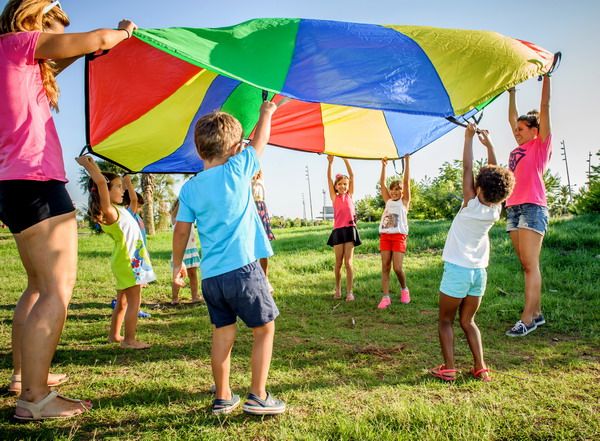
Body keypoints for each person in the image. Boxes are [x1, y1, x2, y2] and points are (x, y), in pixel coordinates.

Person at [0, 0, 135, 420]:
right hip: (37, 179)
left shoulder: (11, 57)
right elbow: (93, 39)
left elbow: (67, 57)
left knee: (38, 286)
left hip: (13, 182)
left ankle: (26, 378)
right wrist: (123, 34)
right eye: (55, 26)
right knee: (57, 288)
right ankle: (35, 400)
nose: (59, 35)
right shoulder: (20, 43)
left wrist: (92, 50)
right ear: (38, 19)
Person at [172, 101, 286, 416]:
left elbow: (181, 232)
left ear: (198, 150)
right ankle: (258, 395)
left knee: (223, 332)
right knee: (264, 328)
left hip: (211, 278)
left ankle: (223, 396)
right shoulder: (238, 169)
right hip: (244, 271)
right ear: (236, 147)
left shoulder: (190, 188)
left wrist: (177, 263)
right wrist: (266, 113)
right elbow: (261, 141)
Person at [430, 124, 514, 382]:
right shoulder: (496, 209)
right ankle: (481, 367)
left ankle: (450, 368)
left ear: (478, 189)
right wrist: (489, 146)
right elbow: (494, 176)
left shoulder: (470, 203)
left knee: (445, 320)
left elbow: (467, 169)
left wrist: (468, 139)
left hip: (458, 270)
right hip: (479, 273)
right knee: (469, 321)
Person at [77, 156, 155, 350]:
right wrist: (90, 166)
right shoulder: (110, 211)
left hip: (128, 260)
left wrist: (124, 181)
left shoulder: (121, 210)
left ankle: (114, 336)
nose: (123, 191)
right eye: (118, 187)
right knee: (134, 302)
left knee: (123, 301)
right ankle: (129, 340)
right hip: (130, 262)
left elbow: (110, 186)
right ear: (106, 192)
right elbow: (101, 182)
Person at [504, 76, 552, 337]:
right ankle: (537, 312)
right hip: (513, 209)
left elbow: (544, 107)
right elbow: (511, 118)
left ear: (535, 130)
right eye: (516, 129)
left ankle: (528, 318)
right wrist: (512, 91)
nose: (517, 130)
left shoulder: (540, 145)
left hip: (533, 206)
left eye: (521, 128)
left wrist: (546, 78)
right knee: (526, 264)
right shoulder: (517, 149)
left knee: (531, 265)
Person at [377, 155, 411, 309]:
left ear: (403, 192)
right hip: (385, 236)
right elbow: (382, 183)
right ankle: (385, 297)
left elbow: (406, 183)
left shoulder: (404, 203)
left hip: (399, 237)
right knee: (385, 266)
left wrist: (407, 161)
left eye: (398, 189)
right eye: (393, 189)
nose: (395, 192)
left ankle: (404, 289)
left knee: (397, 267)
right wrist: (384, 165)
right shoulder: (388, 201)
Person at [326, 155, 361, 301]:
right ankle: (338, 289)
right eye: (340, 184)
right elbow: (328, 179)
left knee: (349, 262)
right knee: (339, 262)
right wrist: (330, 163)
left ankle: (350, 292)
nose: (343, 186)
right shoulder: (335, 198)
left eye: (345, 184)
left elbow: (352, 175)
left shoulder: (350, 195)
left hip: (350, 230)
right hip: (338, 231)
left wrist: (345, 159)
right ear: (336, 186)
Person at [170, 199, 202, 305]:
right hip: (179, 252)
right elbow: (174, 213)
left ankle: (194, 296)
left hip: (191, 250)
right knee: (178, 276)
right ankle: (175, 298)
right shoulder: (174, 219)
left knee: (193, 274)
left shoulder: (189, 217)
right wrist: (182, 201)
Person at [252, 170, 275, 294]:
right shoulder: (245, 180)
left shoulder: (261, 179)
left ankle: (265, 280)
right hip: (250, 209)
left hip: (261, 210)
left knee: (264, 247)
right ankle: (254, 280)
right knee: (251, 247)